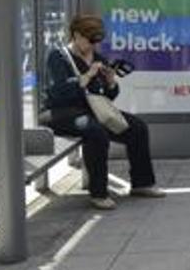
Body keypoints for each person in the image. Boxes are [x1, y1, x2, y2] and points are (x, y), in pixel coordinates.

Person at [42, 14, 164, 210]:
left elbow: (106, 96)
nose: (92, 46)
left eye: (96, 42)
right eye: (89, 41)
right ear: (76, 35)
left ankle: (142, 183)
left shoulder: (98, 58)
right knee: (96, 132)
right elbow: (59, 92)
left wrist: (110, 81)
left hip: (92, 110)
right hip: (60, 112)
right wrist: (87, 75)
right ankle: (98, 192)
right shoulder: (58, 56)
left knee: (138, 128)